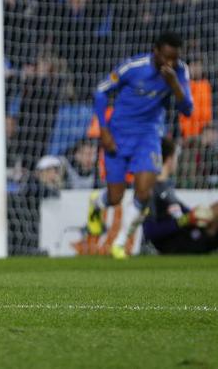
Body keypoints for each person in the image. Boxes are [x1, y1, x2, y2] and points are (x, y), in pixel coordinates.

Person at [87, 32, 193, 260]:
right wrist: (103, 130)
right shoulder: (133, 67)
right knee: (115, 197)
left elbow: (188, 110)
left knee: (144, 193)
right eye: (166, 57)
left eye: (174, 58)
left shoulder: (181, 72)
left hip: (148, 136)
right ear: (155, 52)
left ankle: (120, 243)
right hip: (118, 135)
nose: (170, 63)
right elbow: (101, 91)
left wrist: (174, 84)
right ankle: (97, 202)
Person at [144, 137, 218, 254]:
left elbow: (186, 213)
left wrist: (200, 214)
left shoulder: (167, 186)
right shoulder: (151, 189)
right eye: (176, 156)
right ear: (170, 160)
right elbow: (150, 231)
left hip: (188, 234)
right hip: (175, 243)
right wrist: (185, 219)